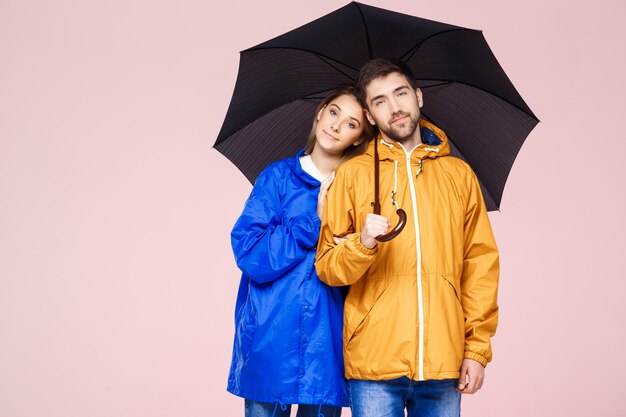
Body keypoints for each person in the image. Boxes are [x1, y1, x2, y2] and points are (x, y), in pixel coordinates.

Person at [315, 58, 499, 417]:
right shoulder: (351, 175)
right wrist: (361, 244)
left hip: (443, 360)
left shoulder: (459, 175)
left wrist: (476, 349)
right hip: (374, 361)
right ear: (369, 115)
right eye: (380, 101)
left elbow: (479, 265)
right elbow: (327, 268)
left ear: (418, 96)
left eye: (400, 94)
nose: (394, 107)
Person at [227, 84, 375, 417]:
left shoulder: (359, 191)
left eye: (352, 123)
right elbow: (250, 254)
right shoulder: (277, 178)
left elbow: (367, 273)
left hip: (328, 344)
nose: (337, 126)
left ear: (359, 138)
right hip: (270, 337)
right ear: (321, 110)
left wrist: (352, 247)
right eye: (335, 112)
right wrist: (313, 222)